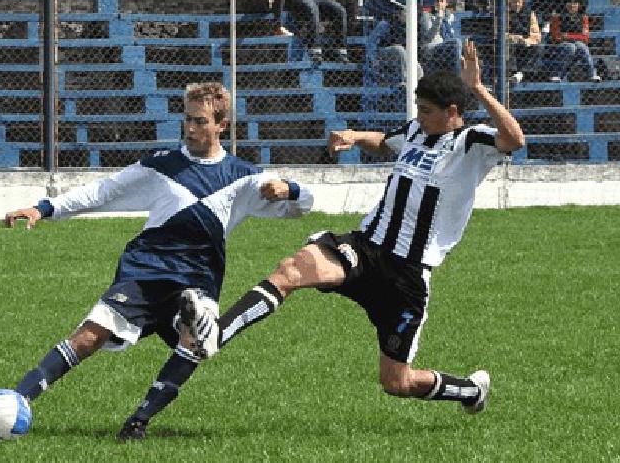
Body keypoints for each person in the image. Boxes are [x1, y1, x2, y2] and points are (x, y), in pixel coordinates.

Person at [181, 41, 525, 416]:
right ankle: (214, 334)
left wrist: (478, 88)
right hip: (366, 248)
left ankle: (470, 391)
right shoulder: (415, 131)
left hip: (404, 277)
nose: (420, 116)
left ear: (452, 112)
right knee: (291, 270)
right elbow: (384, 142)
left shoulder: (472, 142)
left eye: (426, 111)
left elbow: (516, 139)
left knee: (398, 382)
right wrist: (355, 136)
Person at [0, 82, 314, 441]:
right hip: (146, 270)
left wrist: (292, 189)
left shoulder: (245, 177)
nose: (191, 129)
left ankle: (138, 421)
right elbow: (101, 193)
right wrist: (43, 208)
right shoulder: (161, 166)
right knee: (89, 336)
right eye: (188, 120)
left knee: (194, 338)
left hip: (197, 275)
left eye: (200, 121)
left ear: (221, 125)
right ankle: (14, 403)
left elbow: (302, 207)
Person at [546, 0, 601, 82]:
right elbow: (556, 36)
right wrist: (572, 37)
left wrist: (568, 36)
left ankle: (592, 74)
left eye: (575, 2)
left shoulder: (583, 17)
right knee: (571, 47)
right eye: (569, 2)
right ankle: (557, 75)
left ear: (579, 4)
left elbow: (585, 37)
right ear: (564, 3)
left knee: (581, 46)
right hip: (559, 46)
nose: (572, 5)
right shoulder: (557, 17)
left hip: (578, 45)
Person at [419, 0, 463, 74]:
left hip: (446, 48)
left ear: (446, 3)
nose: (439, 3)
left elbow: (453, 36)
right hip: (432, 49)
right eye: (437, 1)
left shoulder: (450, 18)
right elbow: (428, 38)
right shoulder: (427, 16)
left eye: (441, 1)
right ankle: (458, 78)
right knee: (456, 43)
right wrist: (438, 19)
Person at [506, 0, 542, 84]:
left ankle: (521, 74)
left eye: (519, 2)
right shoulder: (504, 14)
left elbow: (536, 34)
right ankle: (514, 73)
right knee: (510, 47)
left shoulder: (529, 14)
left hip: (526, 43)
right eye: (514, 2)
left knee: (538, 47)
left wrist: (528, 41)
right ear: (509, 2)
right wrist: (514, 37)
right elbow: (499, 33)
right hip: (511, 43)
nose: (517, 4)